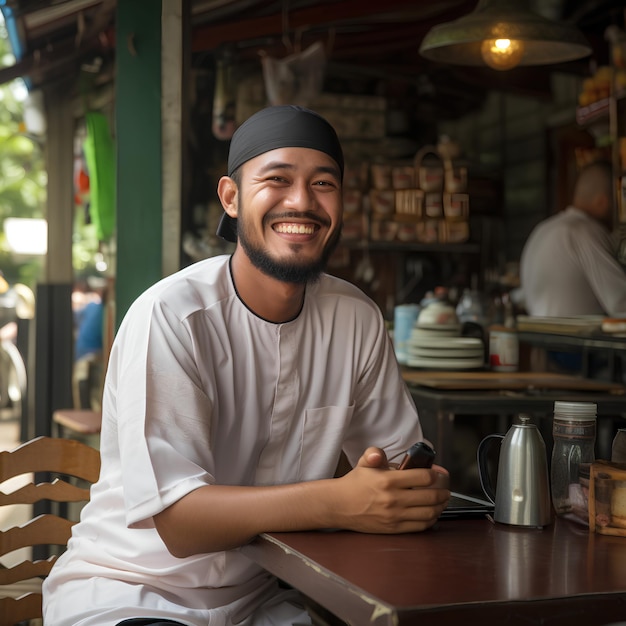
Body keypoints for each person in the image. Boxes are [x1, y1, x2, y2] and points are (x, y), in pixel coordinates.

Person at [43, 105, 449, 626]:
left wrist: (409, 492)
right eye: (277, 179)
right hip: (130, 591)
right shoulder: (172, 315)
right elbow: (180, 521)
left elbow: (395, 466)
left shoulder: (357, 319)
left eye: (323, 183)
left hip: (262, 601)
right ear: (231, 198)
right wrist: (339, 502)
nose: (302, 201)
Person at [520, 160, 626, 317]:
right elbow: (621, 303)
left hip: (542, 337)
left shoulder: (543, 229)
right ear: (602, 202)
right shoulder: (585, 231)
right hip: (574, 340)